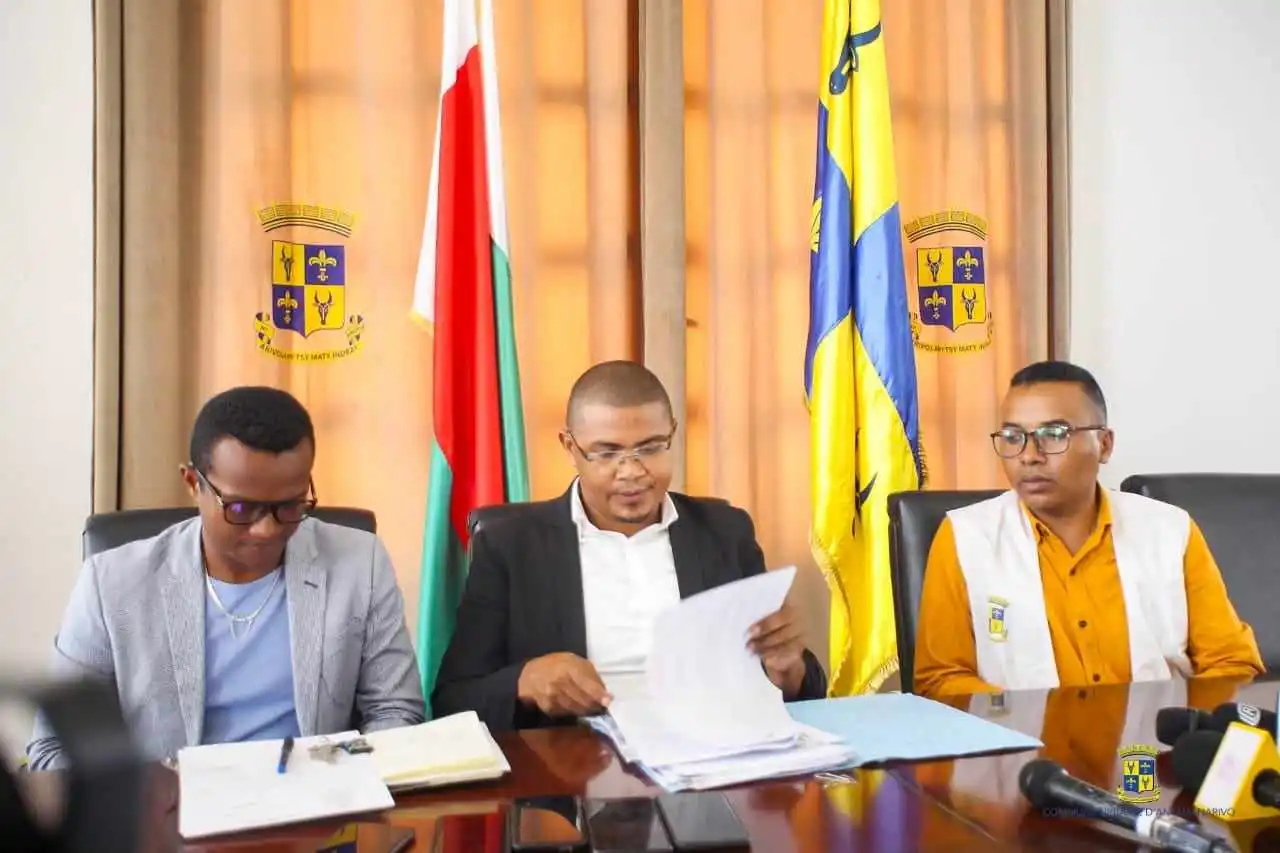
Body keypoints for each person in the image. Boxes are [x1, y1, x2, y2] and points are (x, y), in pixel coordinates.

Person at [26, 386, 424, 769]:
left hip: (317, 803)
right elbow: (53, 749)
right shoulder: (111, 584)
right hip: (173, 809)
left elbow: (395, 709)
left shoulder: (360, 563)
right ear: (192, 483)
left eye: (289, 506)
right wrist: (147, 797)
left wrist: (347, 781)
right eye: (240, 508)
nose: (266, 530)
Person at [432, 360, 827, 731]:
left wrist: (787, 670)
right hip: (576, 768)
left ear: (672, 433)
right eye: (607, 453)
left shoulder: (724, 532)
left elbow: (801, 688)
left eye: (651, 447)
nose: (632, 472)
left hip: (712, 755)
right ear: (570, 447)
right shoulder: (511, 546)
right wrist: (525, 681)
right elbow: (452, 702)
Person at [913, 360, 1264, 699]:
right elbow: (941, 678)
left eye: (1054, 434)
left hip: (1153, 735)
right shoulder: (966, 537)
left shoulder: (1169, 530)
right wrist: (1018, 719)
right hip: (1020, 737)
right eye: (1012, 436)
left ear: (1104, 445)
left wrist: (1183, 722)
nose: (1029, 455)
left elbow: (1231, 663)